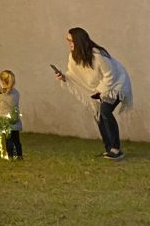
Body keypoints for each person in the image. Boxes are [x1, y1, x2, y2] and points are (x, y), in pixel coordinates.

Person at [54, 27, 133, 161]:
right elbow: (74, 74)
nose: (69, 43)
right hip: (101, 89)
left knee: (105, 111)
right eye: (68, 40)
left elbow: (111, 76)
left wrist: (99, 92)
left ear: (79, 41)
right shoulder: (73, 57)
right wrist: (63, 77)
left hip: (117, 84)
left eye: (71, 40)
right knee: (98, 115)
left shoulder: (98, 55)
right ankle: (109, 149)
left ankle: (116, 149)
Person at [0, 69, 23, 159]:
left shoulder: (2, 95)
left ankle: (10, 156)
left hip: (6, 122)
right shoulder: (16, 93)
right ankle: (19, 155)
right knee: (16, 140)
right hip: (15, 121)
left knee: (8, 140)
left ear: (2, 82)